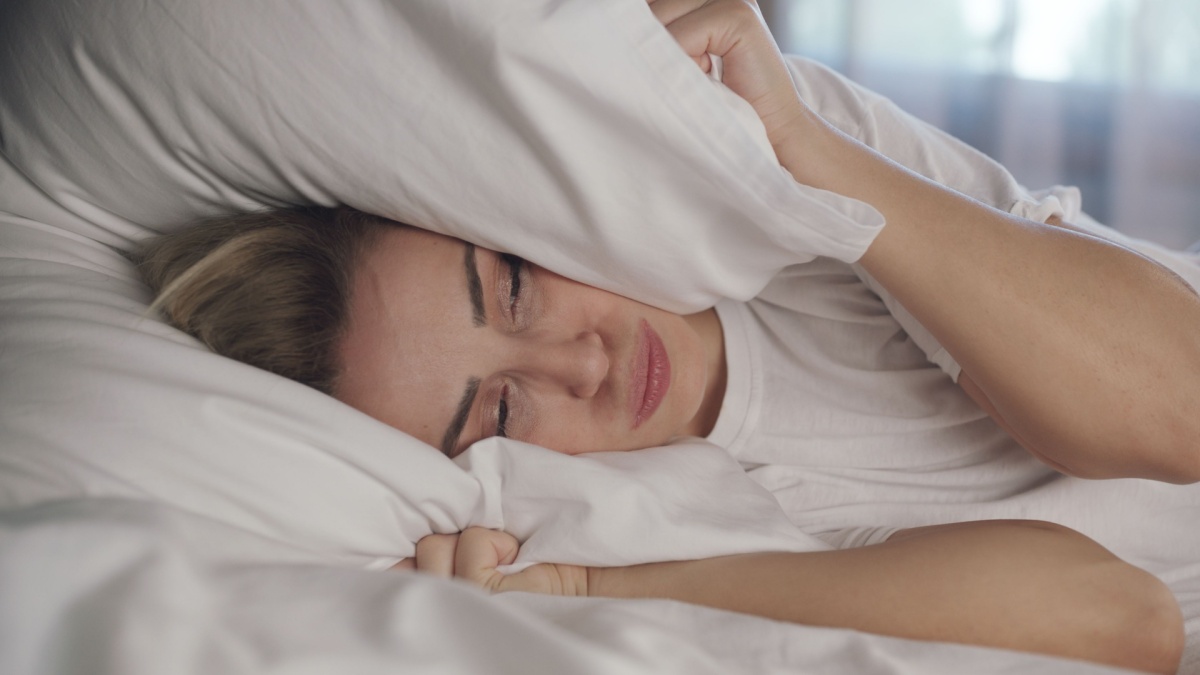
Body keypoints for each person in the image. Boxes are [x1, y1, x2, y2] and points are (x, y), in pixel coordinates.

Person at [133, 0, 1194, 671]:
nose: (580, 364)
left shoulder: (786, 168)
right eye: (503, 407)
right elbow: (1124, 621)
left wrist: (808, 153)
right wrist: (583, 596)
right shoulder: (632, 525)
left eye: (511, 290)